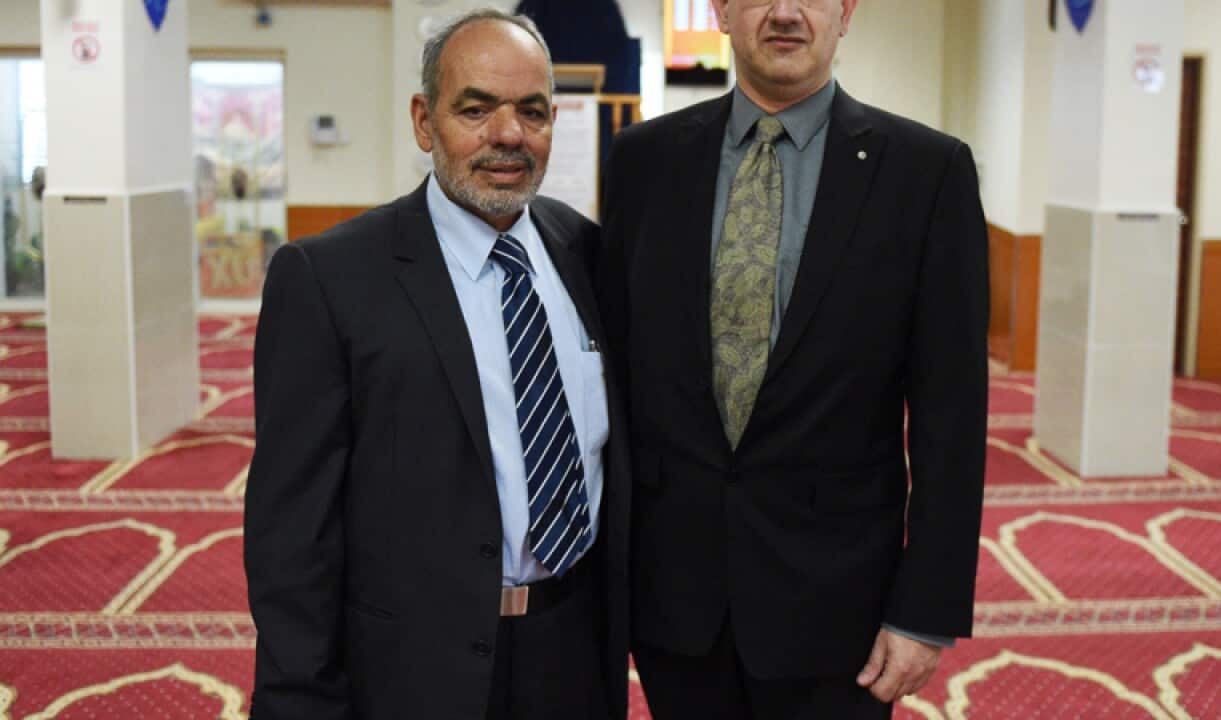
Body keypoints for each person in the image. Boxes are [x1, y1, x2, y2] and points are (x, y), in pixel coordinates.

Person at [598, 0, 988, 717]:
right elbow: (616, 379)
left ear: (845, 12)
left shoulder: (927, 174)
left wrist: (925, 610)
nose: (783, 12)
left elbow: (951, 418)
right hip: (674, 597)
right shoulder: (643, 161)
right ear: (718, 10)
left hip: (839, 605)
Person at [245, 10, 629, 720]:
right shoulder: (329, 278)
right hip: (412, 669)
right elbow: (290, 535)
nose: (508, 135)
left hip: (573, 650)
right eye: (476, 109)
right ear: (425, 122)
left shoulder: (587, 254)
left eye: (531, 111)